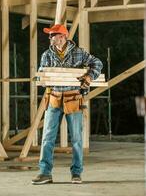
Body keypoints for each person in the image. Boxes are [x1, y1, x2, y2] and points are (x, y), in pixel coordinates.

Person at [32, 24, 103, 185]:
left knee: (77, 139)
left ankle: (76, 173)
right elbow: (41, 75)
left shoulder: (79, 53)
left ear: (63, 37)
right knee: (47, 138)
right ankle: (45, 173)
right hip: (54, 98)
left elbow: (97, 63)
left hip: (73, 99)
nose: (50, 38)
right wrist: (41, 79)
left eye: (53, 35)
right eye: (50, 35)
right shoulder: (47, 55)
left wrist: (90, 77)